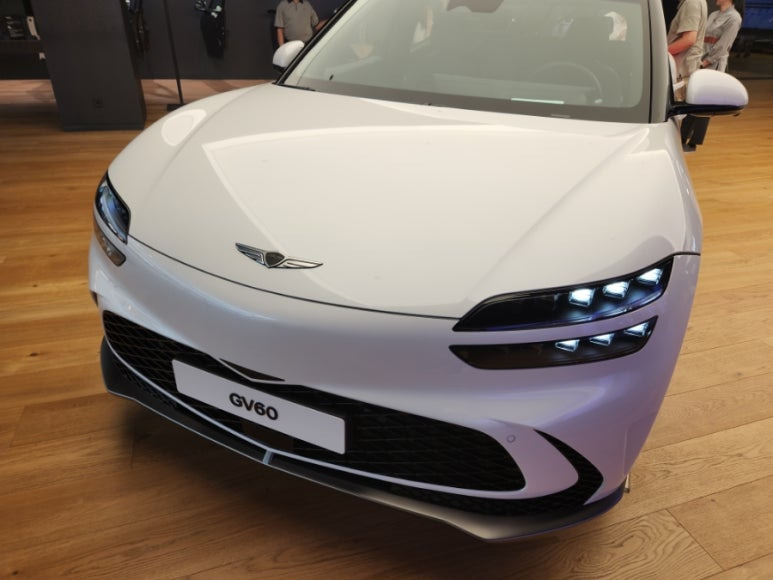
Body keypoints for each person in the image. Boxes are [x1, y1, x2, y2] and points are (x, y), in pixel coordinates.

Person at [681, 0, 743, 150]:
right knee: (693, 99)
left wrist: (706, 62)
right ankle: (682, 137)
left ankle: (693, 142)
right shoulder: (714, 14)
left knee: (705, 104)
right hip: (700, 60)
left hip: (713, 64)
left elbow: (723, 46)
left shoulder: (734, 18)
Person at [667, 0, 707, 100]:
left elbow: (689, 40)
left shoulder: (692, 2)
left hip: (681, 76)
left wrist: (661, 54)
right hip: (684, 74)